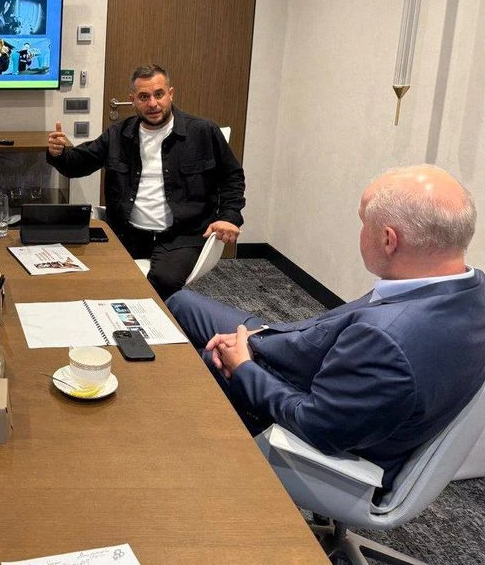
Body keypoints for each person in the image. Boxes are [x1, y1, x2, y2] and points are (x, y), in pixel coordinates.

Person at [168, 165, 485, 494]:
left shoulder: (386, 337)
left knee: (190, 364)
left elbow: (315, 426)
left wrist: (243, 367)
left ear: (389, 240)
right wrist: (255, 339)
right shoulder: (464, 288)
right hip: (315, 363)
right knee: (181, 303)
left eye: (364, 224)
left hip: (307, 424)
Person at [47, 64, 245, 299]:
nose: (153, 103)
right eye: (144, 97)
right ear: (132, 100)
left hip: (181, 234)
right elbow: (79, 164)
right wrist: (59, 154)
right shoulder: (118, 134)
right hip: (127, 232)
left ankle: (150, 320)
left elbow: (232, 176)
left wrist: (229, 216)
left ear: (170, 94)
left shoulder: (203, 131)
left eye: (158, 94)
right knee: (88, 273)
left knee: (162, 281)